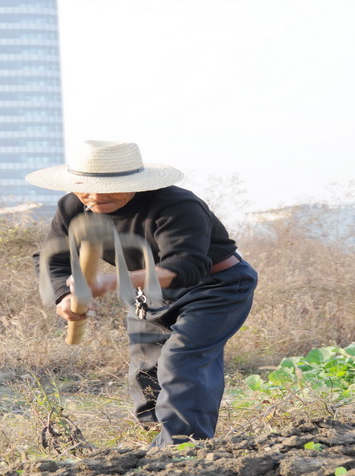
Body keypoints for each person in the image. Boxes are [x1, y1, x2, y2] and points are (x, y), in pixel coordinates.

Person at [27, 140, 257, 447]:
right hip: (148, 293)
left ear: (135, 182)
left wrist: (114, 281)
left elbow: (186, 266)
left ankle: (182, 447)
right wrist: (64, 297)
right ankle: (152, 441)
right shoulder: (72, 207)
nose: (95, 197)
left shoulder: (175, 205)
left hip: (215, 287)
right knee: (145, 368)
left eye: (108, 187)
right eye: (86, 187)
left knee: (182, 359)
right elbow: (51, 260)